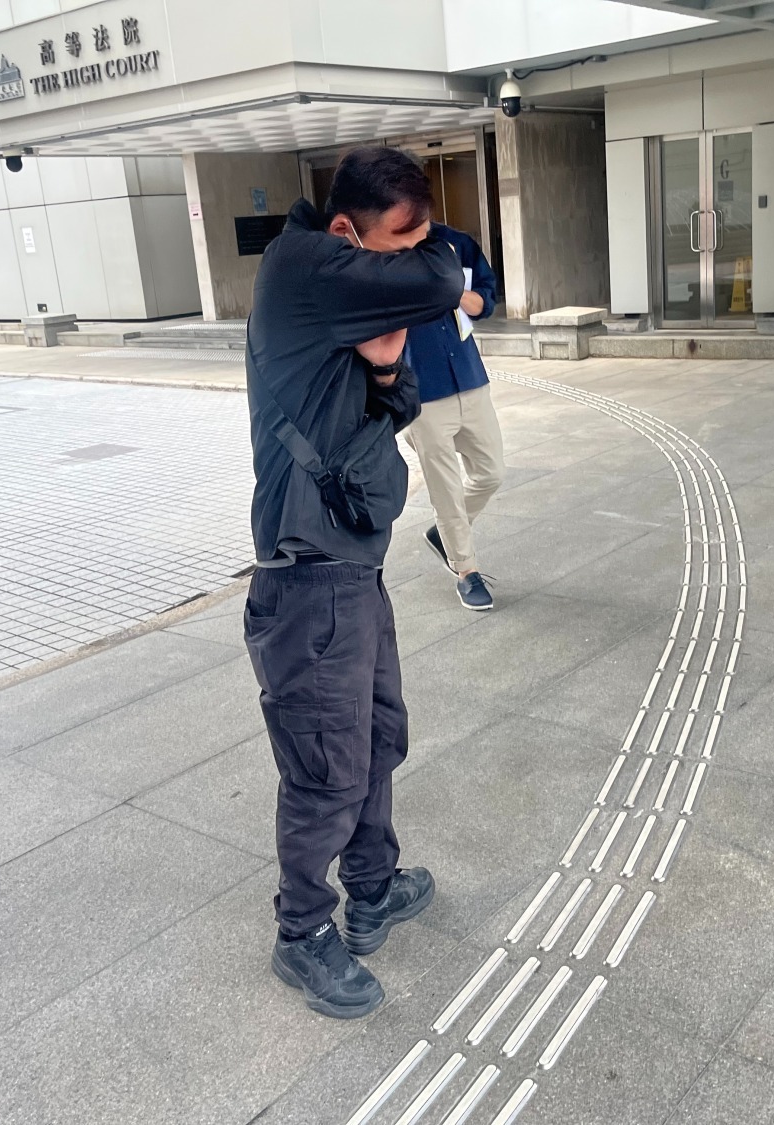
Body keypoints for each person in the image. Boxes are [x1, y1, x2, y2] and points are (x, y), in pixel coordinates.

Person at [243, 147, 464, 1020]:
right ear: (346, 231)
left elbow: (400, 401)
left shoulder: (343, 292)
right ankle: (301, 932)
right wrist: (425, 269)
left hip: (352, 575)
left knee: (376, 739)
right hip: (307, 583)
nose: (409, 262)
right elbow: (444, 280)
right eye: (397, 246)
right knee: (326, 770)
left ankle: (372, 886)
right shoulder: (302, 269)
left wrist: (378, 368)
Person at [403, 223, 504, 611]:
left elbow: (486, 299)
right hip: (423, 390)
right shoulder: (384, 255)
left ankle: (444, 535)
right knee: (444, 488)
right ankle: (466, 570)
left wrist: (456, 293)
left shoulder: (456, 244)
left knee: (491, 472)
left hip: (469, 376)